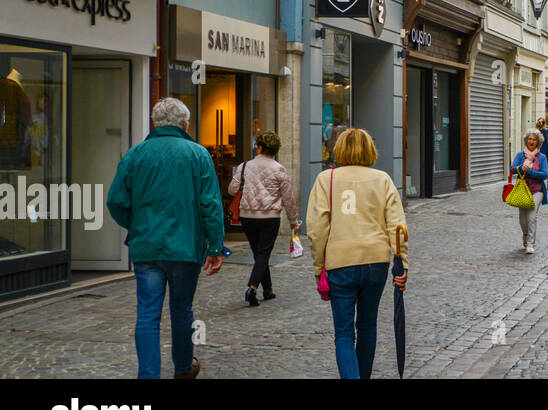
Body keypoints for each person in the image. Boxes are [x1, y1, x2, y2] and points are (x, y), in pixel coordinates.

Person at [107, 97, 224, 379]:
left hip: (147, 246)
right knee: (182, 309)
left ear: (154, 122)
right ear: (184, 124)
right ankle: (183, 368)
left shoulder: (136, 154)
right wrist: (216, 245)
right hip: (185, 247)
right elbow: (210, 203)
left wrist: (136, 225)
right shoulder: (198, 154)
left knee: (147, 314)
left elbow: (115, 200)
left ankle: (149, 375)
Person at [307, 127, 408, 380]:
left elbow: (317, 228)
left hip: (340, 262)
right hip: (376, 262)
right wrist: (402, 263)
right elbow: (397, 226)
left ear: (339, 150)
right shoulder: (382, 179)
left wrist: (319, 265)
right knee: (367, 326)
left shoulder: (325, 179)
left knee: (343, 332)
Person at [229, 131, 300, 306]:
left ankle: (268, 290)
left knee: (259, 254)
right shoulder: (279, 169)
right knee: (263, 254)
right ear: (275, 150)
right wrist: (294, 222)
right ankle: (252, 287)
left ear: (259, 147)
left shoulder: (244, 166)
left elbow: (232, 190)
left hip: (247, 216)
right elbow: (288, 199)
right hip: (270, 217)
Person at [511, 130, 548, 254]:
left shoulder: (542, 157)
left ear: (538, 142)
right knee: (523, 219)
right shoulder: (520, 155)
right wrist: (520, 169)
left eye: (534, 139)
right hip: (522, 190)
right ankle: (525, 234)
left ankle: (530, 243)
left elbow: (545, 174)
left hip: (537, 190)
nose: (531, 141)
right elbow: (512, 169)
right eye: (529, 139)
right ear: (526, 140)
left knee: (531, 217)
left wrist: (530, 172)